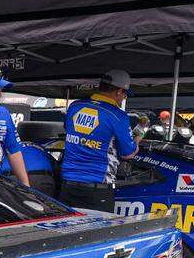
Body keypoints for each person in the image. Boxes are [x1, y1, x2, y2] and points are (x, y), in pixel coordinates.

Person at [59, 70, 138, 211]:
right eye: (125, 94)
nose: (124, 98)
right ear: (119, 91)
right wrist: (137, 139)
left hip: (68, 185)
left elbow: (68, 129)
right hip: (98, 188)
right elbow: (128, 154)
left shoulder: (74, 107)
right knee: (98, 233)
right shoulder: (118, 116)